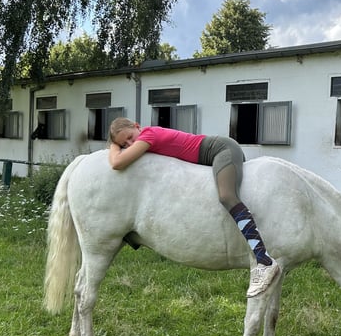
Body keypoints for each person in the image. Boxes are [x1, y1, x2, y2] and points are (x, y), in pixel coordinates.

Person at [107, 117, 280, 298]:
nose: (129, 143)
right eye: (124, 144)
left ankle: (264, 260)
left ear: (137, 127)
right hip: (211, 156)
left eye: (129, 137)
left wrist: (114, 146)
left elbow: (117, 163)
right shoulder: (143, 137)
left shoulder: (149, 134)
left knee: (227, 196)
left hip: (222, 149)